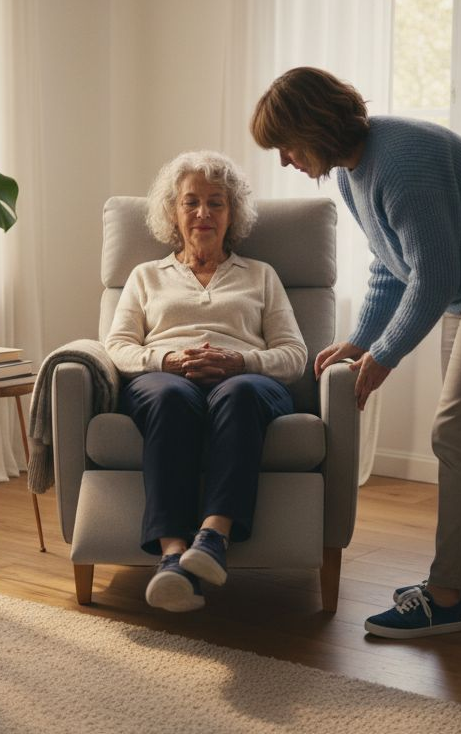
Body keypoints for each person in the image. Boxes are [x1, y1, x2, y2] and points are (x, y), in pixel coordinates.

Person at [251, 67, 461, 638]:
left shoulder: (400, 165)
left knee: (456, 433)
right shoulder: (351, 172)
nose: (286, 161)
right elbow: (390, 264)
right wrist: (361, 339)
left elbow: (433, 277)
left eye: (287, 146)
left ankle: (445, 598)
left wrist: (385, 355)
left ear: (314, 127)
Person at [105, 150, 308, 612]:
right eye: (191, 202)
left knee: (239, 393)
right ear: (172, 213)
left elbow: (295, 354)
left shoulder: (261, 275)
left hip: (246, 382)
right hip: (165, 380)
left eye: (216, 202)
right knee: (170, 398)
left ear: (232, 214)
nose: (203, 213)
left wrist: (241, 362)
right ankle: (173, 556)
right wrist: (167, 360)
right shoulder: (145, 276)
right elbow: (117, 346)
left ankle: (213, 539)